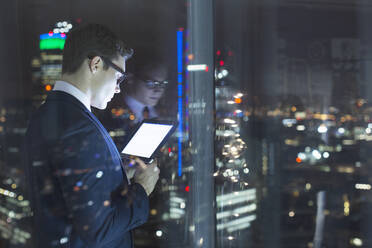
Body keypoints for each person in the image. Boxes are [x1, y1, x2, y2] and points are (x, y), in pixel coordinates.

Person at [24, 23, 159, 248]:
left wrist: (114, 176)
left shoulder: (45, 116)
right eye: (118, 78)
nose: (118, 88)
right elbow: (99, 229)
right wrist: (141, 189)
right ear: (96, 64)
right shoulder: (79, 127)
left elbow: (67, 198)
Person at [96, 56, 169, 152]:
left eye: (162, 84)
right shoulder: (107, 109)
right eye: (151, 83)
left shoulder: (165, 112)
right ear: (131, 79)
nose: (158, 90)